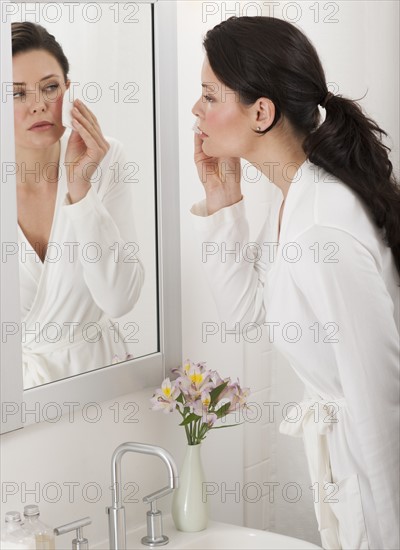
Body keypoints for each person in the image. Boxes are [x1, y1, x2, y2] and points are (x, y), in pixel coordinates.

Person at [190, 16, 399, 550]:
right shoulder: (296, 199)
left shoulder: (320, 224)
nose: (197, 110)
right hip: (347, 470)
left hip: (377, 480)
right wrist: (222, 203)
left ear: (261, 112)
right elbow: (250, 318)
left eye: (210, 95)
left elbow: (380, 400)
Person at [12, 21, 144, 388]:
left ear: (67, 90)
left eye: (50, 88)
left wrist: (81, 189)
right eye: (16, 93)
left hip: (98, 382)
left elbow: (119, 300)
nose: (38, 105)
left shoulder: (106, 158)